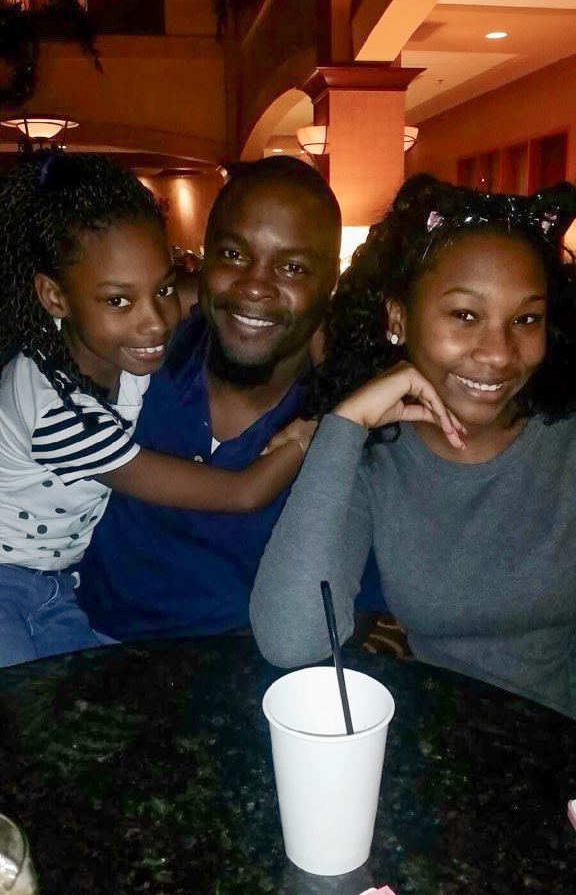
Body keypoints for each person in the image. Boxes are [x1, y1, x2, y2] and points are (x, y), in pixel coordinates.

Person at [250, 173, 576, 718]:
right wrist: (344, 423)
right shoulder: (373, 456)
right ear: (398, 319)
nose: (498, 353)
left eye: (526, 318)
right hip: (429, 749)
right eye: (465, 315)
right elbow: (292, 640)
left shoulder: (564, 445)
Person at [0, 154, 318, 666]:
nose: (154, 323)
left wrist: (313, 323)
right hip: (10, 585)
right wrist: (315, 430)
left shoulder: (107, 352)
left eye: (163, 289)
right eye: (119, 302)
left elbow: (213, 296)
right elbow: (243, 492)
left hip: (58, 589)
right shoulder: (58, 414)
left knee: (74, 718)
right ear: (54, 296)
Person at [77, 155, 342, 641]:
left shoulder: (344, 423)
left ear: (331, 284)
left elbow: (348, 605)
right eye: (235, 255)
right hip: (81, 641)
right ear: (203, 258)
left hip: (232, 674)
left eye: (293, 267)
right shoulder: (136, 356)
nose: (256, 286)